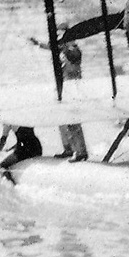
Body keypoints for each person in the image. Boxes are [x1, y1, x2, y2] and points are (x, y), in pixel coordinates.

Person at [29, 23, 87, 162]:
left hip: (72, 89)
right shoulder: (63, 47)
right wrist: (38, 43)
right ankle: (68, 148)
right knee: (62, 120)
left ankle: (80, 151)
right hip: (63, 88)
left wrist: (62, 46)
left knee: (73, 121)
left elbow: (72, 57)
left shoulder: (73, 49)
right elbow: (52, 47)